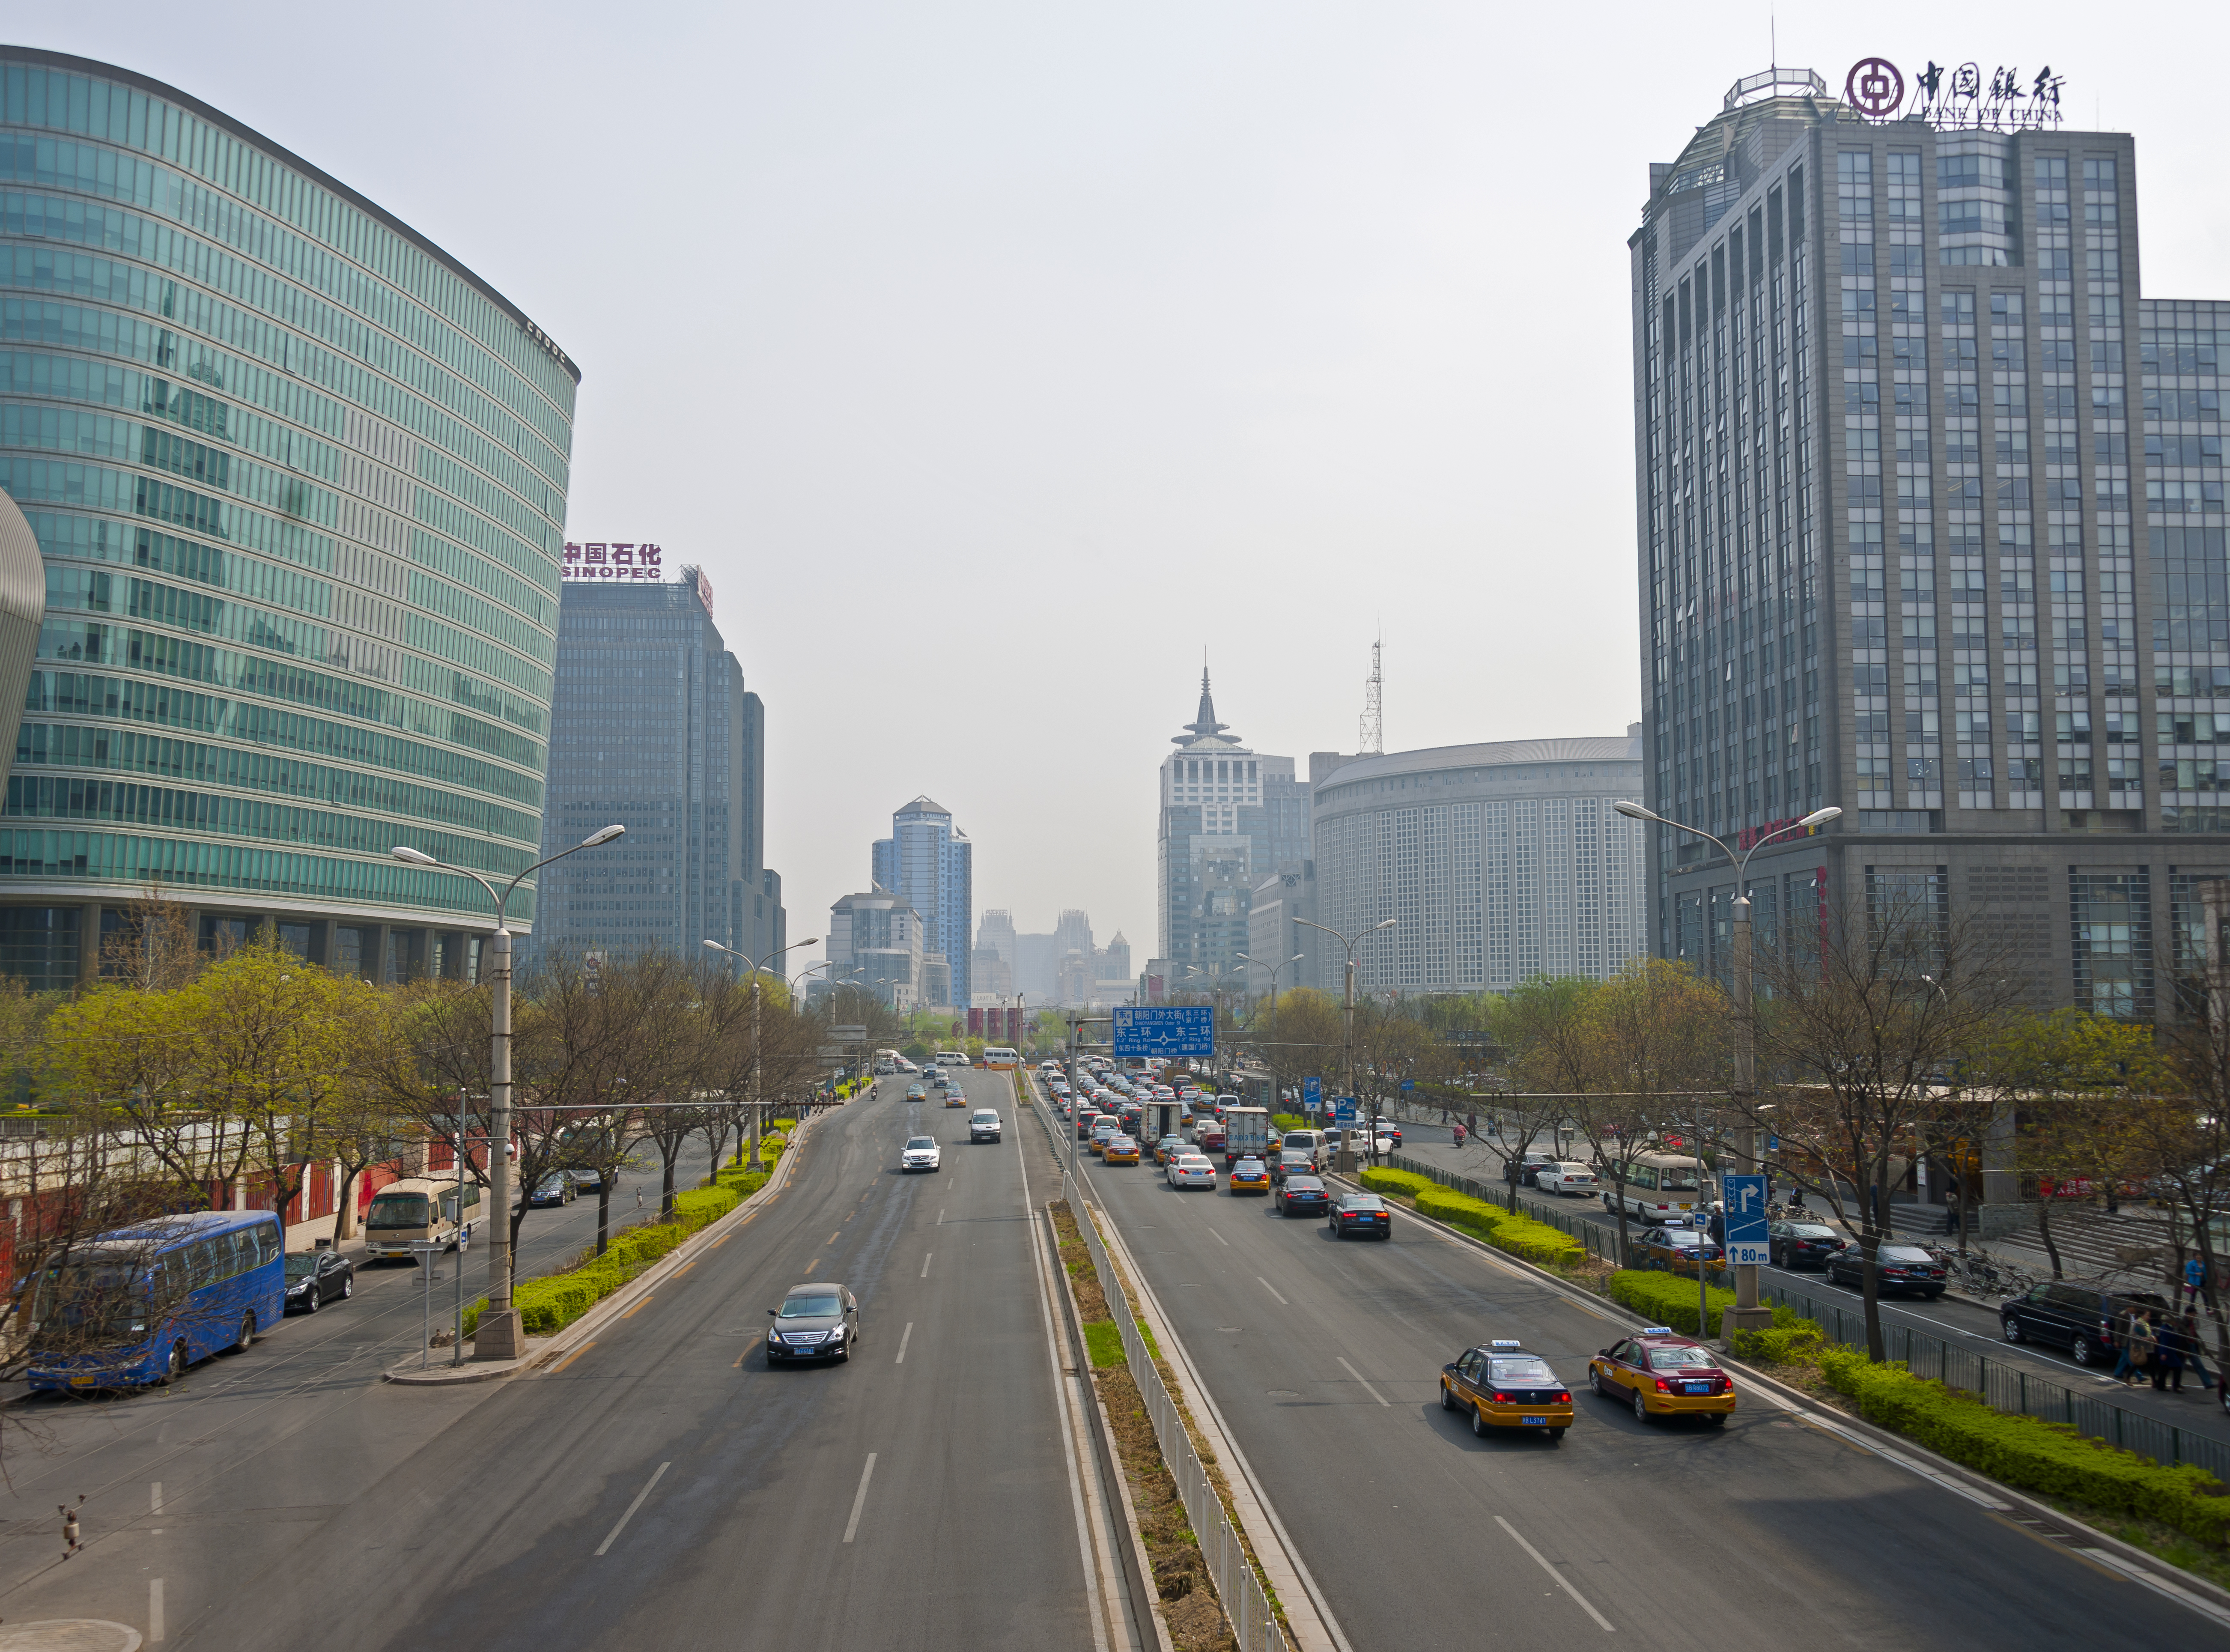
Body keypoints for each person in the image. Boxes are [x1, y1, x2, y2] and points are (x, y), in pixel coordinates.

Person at [2121, 1310, 2156, 1388]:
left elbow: (2149, 1333)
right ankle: (2127, 1377)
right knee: (2138, 1363)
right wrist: (2142, 1338)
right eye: (2147, 1315)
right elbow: (2132, 1334)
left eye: (2149, 1316)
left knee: (2150, 1364)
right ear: (2142, 1315)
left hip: (2149, 1347)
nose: (2149, 1317)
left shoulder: (2146, 1324)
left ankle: (2154, 1382)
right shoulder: (2138, 1323)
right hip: (2142, 1347)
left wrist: (2153, 1337)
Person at [2154, 1314, 2188, 1392]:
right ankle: (2175, 1387)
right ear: (2170, 1321)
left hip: (2170, 1353)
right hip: (2168, 1353)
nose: (2176, 1322)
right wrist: (2163, 1353)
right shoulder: (2166, 1330)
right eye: (2174, 1321)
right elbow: (2164, 1343)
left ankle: (2161, 1385)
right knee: (2177, 1368)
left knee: (2164, 1369)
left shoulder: (2169, 1328)